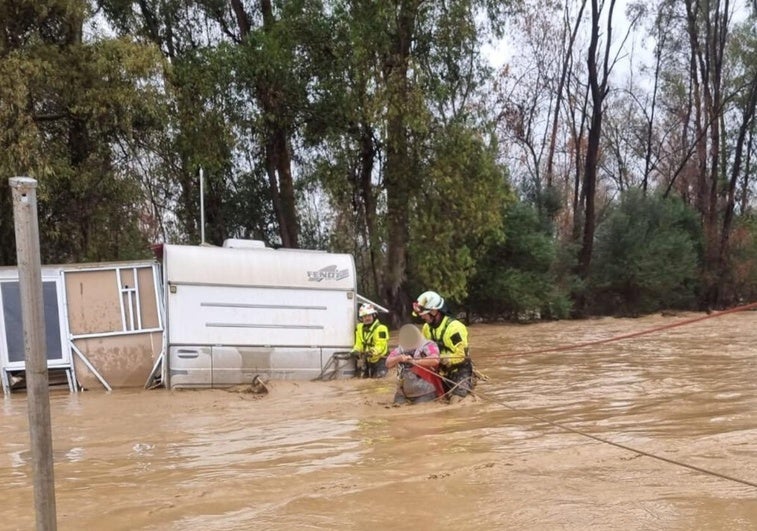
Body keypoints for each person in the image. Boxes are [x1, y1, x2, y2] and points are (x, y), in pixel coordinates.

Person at [413, 290, 473, 403]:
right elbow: (423, 348)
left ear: (434, 311)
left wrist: (445, 360)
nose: (422, 317)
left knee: (456, 402)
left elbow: (462, 355)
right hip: (439, 371)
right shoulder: (426, 328)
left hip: (459, 371)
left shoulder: (455, 328)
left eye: (423, 314)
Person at [385, 324, 444, 404]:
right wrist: (399, 358)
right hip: (403, 392)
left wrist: (415, 362)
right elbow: (388, 363)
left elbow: (435, 359)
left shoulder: (428, 345)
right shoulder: (401, 348)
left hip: (425, 391)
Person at [350, 303, 389, 378]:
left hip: (380, 360)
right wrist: (355, 351)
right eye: (364, 316)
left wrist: (371, 352)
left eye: (369, 316)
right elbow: (359, 344)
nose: (367, 318)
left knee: (379, 380)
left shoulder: (381, 328)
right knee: (362, 379)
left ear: (374, 316)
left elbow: (380, 346)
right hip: (367, 360)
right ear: (361, 318)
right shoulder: (359, 328)